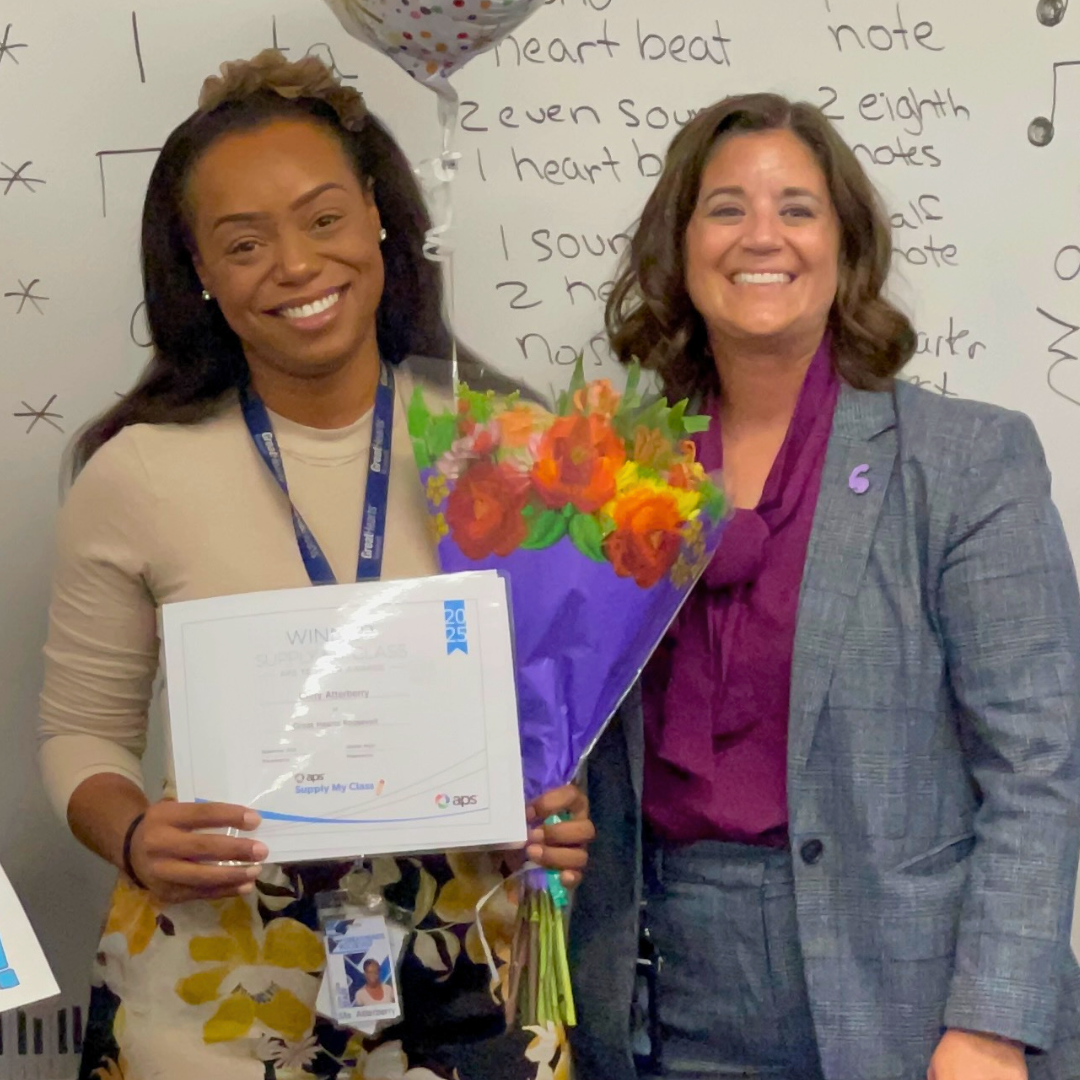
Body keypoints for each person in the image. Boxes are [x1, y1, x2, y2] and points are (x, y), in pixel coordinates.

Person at [38, 50, 592, 1080]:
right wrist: (132, 836)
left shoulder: (509, 447)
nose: (295, 265)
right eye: (243, 242)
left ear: (380, 219)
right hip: (214, 989)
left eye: (324, 218)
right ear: (197, 271)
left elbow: (562, 708)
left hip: (466, 979)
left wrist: (559, 803)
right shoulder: (137, 471)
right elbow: (80, 732)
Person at [569, 92, 1080, 1080]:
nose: (762, 235)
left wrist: (989, 1024)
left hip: (914, 1006)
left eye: (797, 208)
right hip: (666, 999)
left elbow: (1039, 770)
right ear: (680, 248)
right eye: (726, 208)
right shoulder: (613, 475)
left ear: (846, 247)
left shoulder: (968, 462)